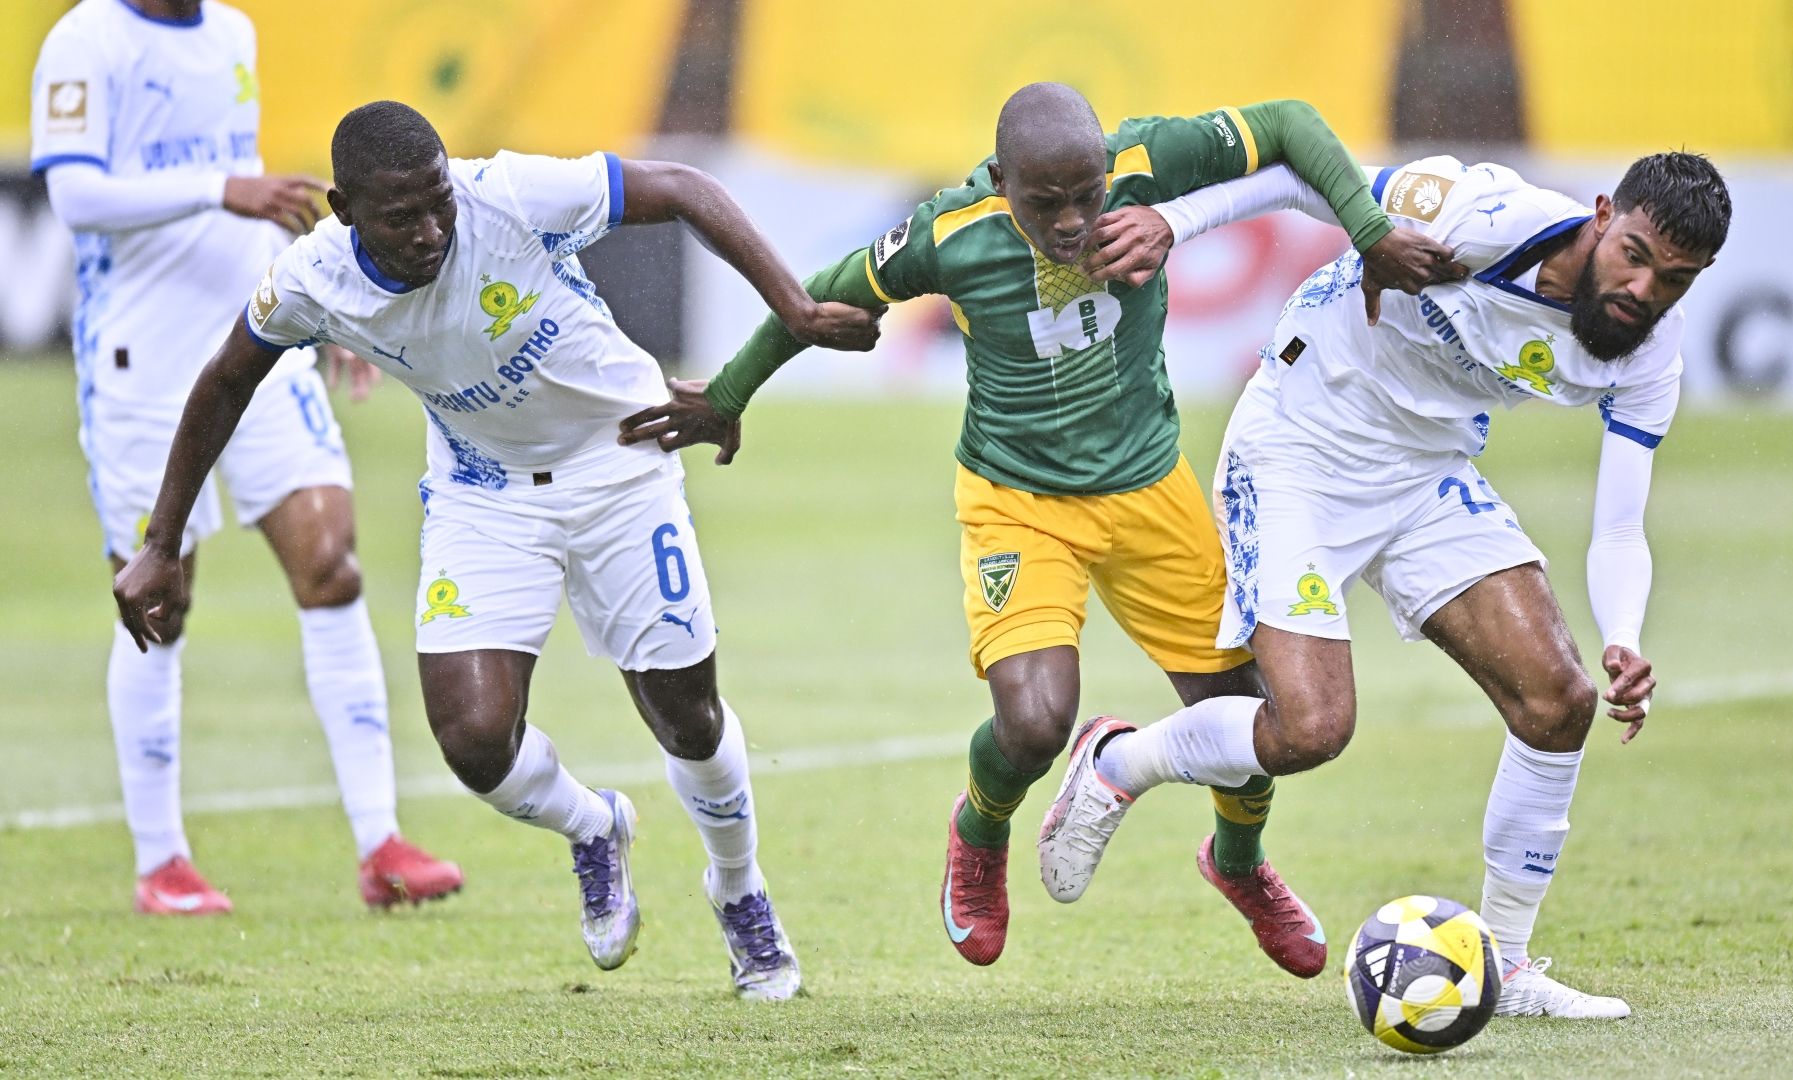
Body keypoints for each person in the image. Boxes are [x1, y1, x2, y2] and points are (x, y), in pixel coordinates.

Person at [618, 82, 1464, 971]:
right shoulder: (950, 232)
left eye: (1086, 195)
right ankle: (980, 834)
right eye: (1043, 202)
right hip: (1018, 501)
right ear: (1000, 179)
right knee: (1033, 723)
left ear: (1106, 165)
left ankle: (1239, 863)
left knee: (1249, 721)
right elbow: (818, 293)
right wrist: (726, 394)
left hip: (1150, 487)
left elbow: (1291, 120)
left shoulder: (1150, 161)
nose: (1070, 221)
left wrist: (1369, 233)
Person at [111, 100, 881, 997]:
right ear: (342, 207)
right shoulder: (311, 279)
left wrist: (792, 307)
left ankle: (740, 890)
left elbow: (684, 187)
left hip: (621, 463)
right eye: (403, 216)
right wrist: (160, 544)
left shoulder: (509, 193)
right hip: (484, 495)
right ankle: (594, 827)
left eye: (439, 199)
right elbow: (224, 381)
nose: (434, 227)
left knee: (688, 718)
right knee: (475, 740)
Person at [1039, 151, 1732, 1017]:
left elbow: (1623, 525)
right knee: (1313, 728)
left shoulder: (1647, 355)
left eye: (1675, 279)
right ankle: (1117, 762)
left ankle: (1506, 965)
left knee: (1560, 700)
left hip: (1423, 471)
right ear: (1601, 215)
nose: (1643, 290)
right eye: (1634, 254)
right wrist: (1174, 225)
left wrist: (1623, 632)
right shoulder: (1477, 214)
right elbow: (1302, 174)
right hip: (1299, 441)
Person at [30, 0, 461, 914]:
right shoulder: (85, 40)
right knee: (160, 597)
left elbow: (255, 210)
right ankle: (161, 863)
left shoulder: (233, 34)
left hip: (249, 336)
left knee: (331, 561)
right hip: (140, 357)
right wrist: (218, 187)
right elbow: (76, 198)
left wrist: (333, 306)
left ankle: (380, 841)